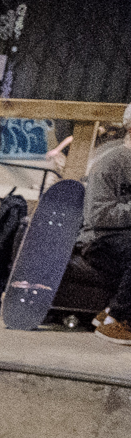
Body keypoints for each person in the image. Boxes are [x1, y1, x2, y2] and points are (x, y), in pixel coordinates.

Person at [80, 107, 131, 345]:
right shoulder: (110, 163)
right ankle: (117, 321)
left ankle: (108, 313)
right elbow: (98, 216)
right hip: (100, 239)